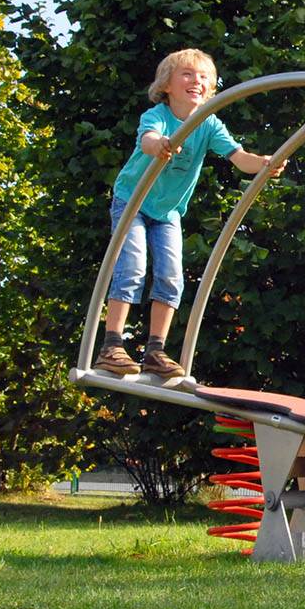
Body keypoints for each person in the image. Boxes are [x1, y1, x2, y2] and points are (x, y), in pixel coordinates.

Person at [93, 48, 284, 379]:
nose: (197, 80)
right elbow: (148, 140)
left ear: (210, 89)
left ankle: (155, 350)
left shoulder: (208, 124)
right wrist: (160, 144)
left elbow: (240, 158)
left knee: (171, 276)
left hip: (167, 211)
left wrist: (265, 164)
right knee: (132, 267)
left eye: (204, 77)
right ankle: (112, 344)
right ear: (167, 85)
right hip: (133, 201)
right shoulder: (158, 115)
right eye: (187, 74)